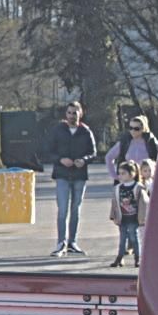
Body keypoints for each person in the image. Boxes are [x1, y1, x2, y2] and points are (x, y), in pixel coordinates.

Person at [46, 100, 97, 257]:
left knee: (76, 209)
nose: (71, 116)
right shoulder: (58, 130)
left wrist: (84, 160)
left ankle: (72, 242)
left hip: (79, 175)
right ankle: (61, 243)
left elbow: (93, 152)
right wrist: (60, 159)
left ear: (80, 113)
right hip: (62, 174)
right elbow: (48, 151)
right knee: (62, 210)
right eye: (69, 113)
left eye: (74, 113)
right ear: (66, 114)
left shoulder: (86, 132)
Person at [111, 159, 148, 267]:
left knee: (133, 238)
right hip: (122, 218)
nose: (120, 176)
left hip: (133, 218)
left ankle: (137, 258)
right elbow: (114, 203)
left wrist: (142, 218)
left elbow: (144, 203)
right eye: (119, 173)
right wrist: (113, 216)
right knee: (122, 239)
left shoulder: (138, 187)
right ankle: (120, 258)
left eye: (123, 173)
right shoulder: (117, 188)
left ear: (132, 174)